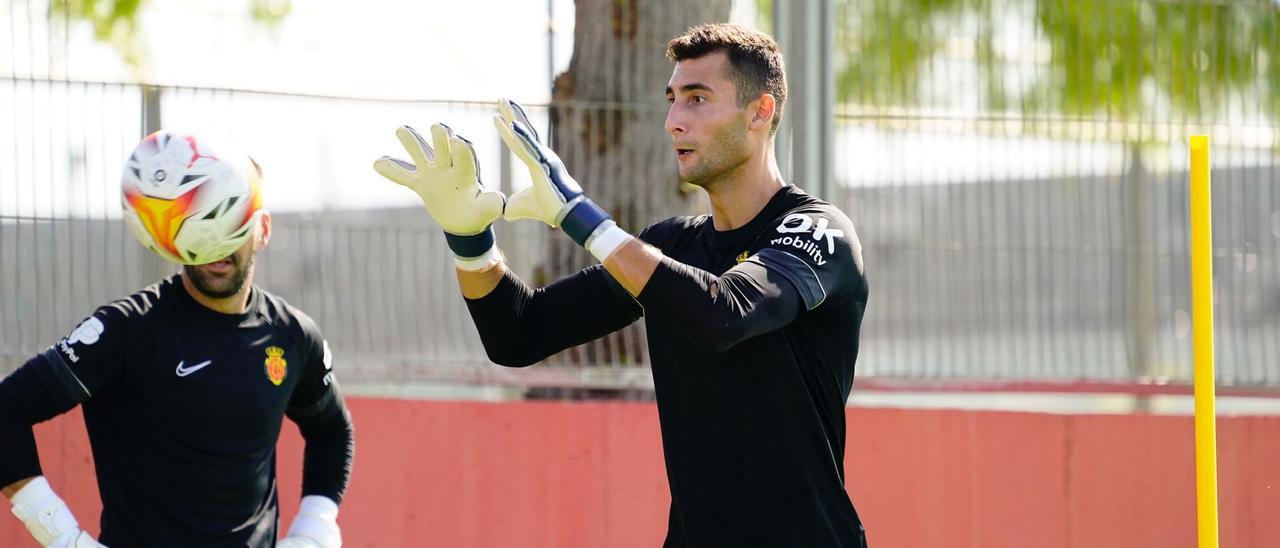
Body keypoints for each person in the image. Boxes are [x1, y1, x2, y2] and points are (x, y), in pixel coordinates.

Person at [377, 23, 868, 546]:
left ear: (760, 112)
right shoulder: (670, 245)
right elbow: (519, 334)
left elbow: (725, 313)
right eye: (672, 100)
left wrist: (579, 216)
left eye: (697, 99)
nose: (674, 121)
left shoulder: (818, 229)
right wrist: (469, 238)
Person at [0, 131, 354, 548]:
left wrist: (315, 529)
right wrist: (61, 537)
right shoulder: (129, 329)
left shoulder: (294, 337)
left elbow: (332, 431)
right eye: (200, 226)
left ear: (262, 230)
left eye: (229, 225)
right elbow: (7, 410)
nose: (213, 247)